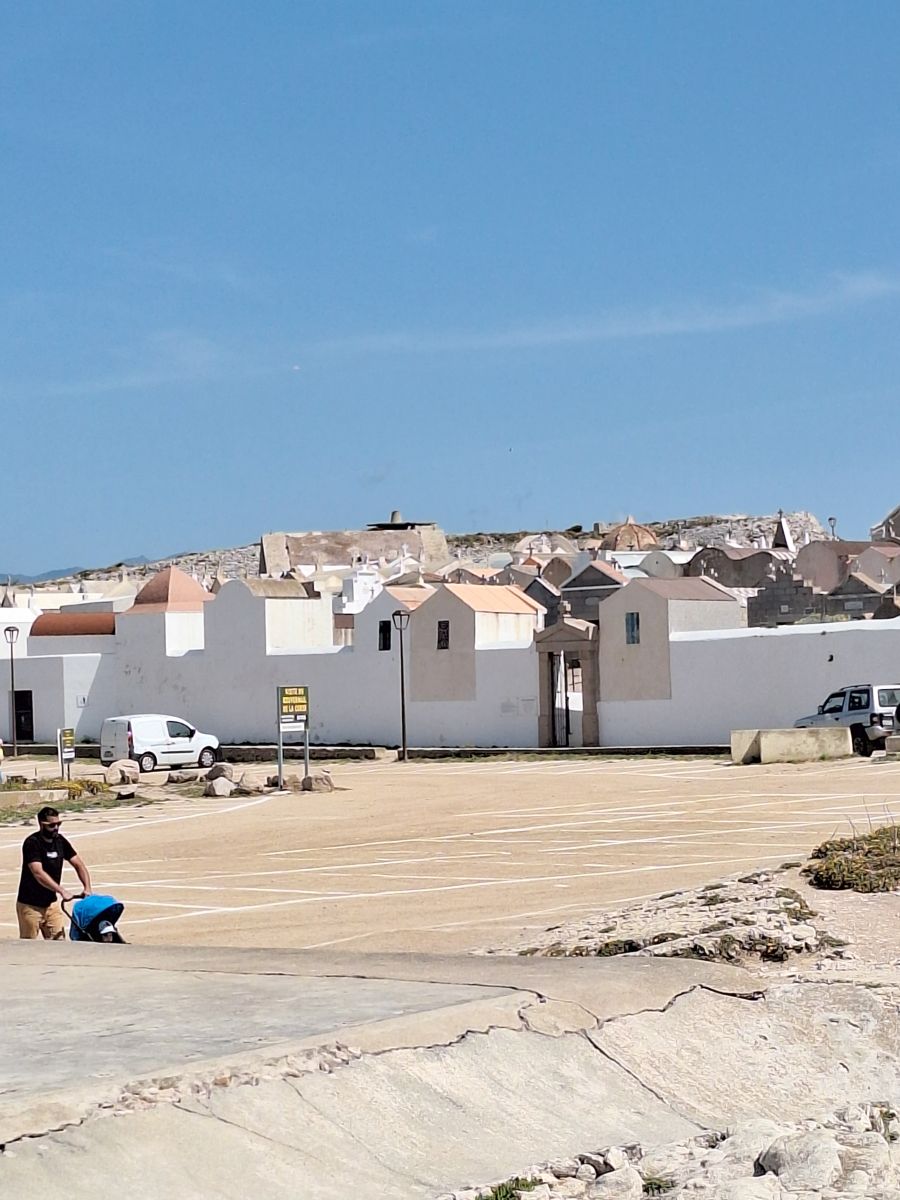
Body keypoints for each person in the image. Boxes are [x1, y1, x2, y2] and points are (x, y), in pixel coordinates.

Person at [16, 806, 92, 940]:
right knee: (28, 944)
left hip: (51, 904)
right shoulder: (32, 843)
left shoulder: (60, 841)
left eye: (58, 824)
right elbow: (38, 873)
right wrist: (61, 890)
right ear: (41, 824)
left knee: (59, 941)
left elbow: (78, 864)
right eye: (51, 825)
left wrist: (87, 887)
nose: (56, 828)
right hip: (30, 906)